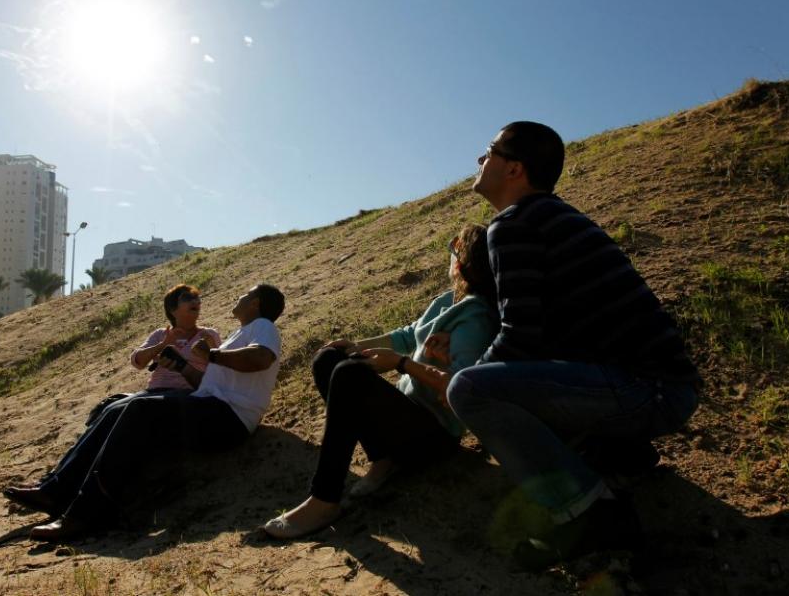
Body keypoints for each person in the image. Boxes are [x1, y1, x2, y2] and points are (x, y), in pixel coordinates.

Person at [446, 121, 702, 569]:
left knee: (469, 390)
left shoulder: (513, 223)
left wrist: (455, 385)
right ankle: (617, 454)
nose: (480, 159)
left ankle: (591, 514)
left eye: (489, 151)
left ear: (514, 169)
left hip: (647, 391)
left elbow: (519, 339)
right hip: (663, 387)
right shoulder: (552, 215)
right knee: (504, 385)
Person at [262, 224, 497, 539]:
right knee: (329, 359)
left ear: (462, 263)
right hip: (407, 417)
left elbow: (462, 386)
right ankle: (383, 459)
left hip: (435, 436)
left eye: (454, 249)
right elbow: (407, 334)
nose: (450, 255)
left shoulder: (475, 317)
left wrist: (402, 364)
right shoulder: (449, 301)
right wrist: (355, 346)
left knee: (348, 374)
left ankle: (324, 500)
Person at [2, 284, 285, 541]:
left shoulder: (263, 326)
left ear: (255, 303)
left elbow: (261, 358)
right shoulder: (240, 334)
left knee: (139, 408)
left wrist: (211, 355)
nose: (239, 296)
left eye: (246, 294)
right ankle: (56, 490)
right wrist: (182, 366)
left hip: (229, 418)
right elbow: (207, 384)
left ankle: (86, 513)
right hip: (211, 406)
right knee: (117, 407)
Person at [4, 285, 219, 500]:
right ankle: (53, 483)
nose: (195, 301)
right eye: (187, 298)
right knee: (109, 410)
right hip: (153, 392)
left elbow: (215, 368)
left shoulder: (208, 335)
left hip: (184, 395)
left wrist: (192, 355)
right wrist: (163, 344)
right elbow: (137, 361)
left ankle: (58, 489)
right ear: (172, 309)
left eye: (197, 298)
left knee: (121, 410)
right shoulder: (161, 334)